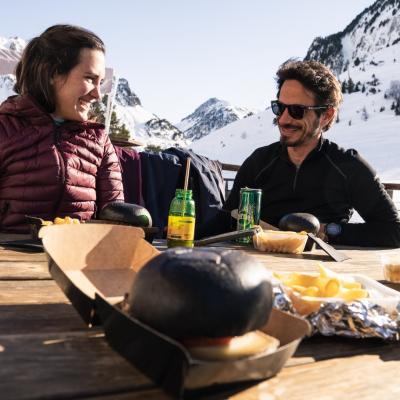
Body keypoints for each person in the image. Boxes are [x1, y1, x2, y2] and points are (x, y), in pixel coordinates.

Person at [215, 59, 400, 247]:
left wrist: (328, 231)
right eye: (279, 108)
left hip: (322, 272)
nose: (284, 119)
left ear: (326, 115)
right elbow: (223, 222)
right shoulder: (259, 162)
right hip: (262, 270)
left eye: (297, 110)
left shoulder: (347, 166)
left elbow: (394, 230)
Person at [0, 24, 124, 233]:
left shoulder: (99, 140)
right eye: (89, 79)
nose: (97, 94)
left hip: (75, 259)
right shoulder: (5, 128)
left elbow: (115, 215)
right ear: (53, 73)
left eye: (100, 82)